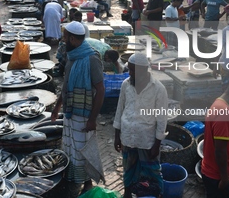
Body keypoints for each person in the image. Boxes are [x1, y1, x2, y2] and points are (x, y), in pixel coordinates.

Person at [51, 21, 104, 197]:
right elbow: (67, 84)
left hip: (83, 113)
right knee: (71, 148)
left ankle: (87, 182)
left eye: (65, 37)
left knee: (82, 150)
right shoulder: (72, 55)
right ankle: (74, 178)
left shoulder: (91, 58)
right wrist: (57, 106)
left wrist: (92, 119)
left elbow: (101, 90)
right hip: (70, 111)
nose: (63, 39)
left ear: (73, 39)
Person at [113, 53, 168, 198]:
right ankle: (127, 192)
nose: (130, 73)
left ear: (144, 70)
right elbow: (120, 109)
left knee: (153, 171)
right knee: (128, 168)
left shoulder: (158, 89)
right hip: (128, 136)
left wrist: (157, 144)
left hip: (147, 139)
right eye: (129, 69)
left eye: (133, 70)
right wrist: (116, 136)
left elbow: (162, 119)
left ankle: (157, 193)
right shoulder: (126, 84)